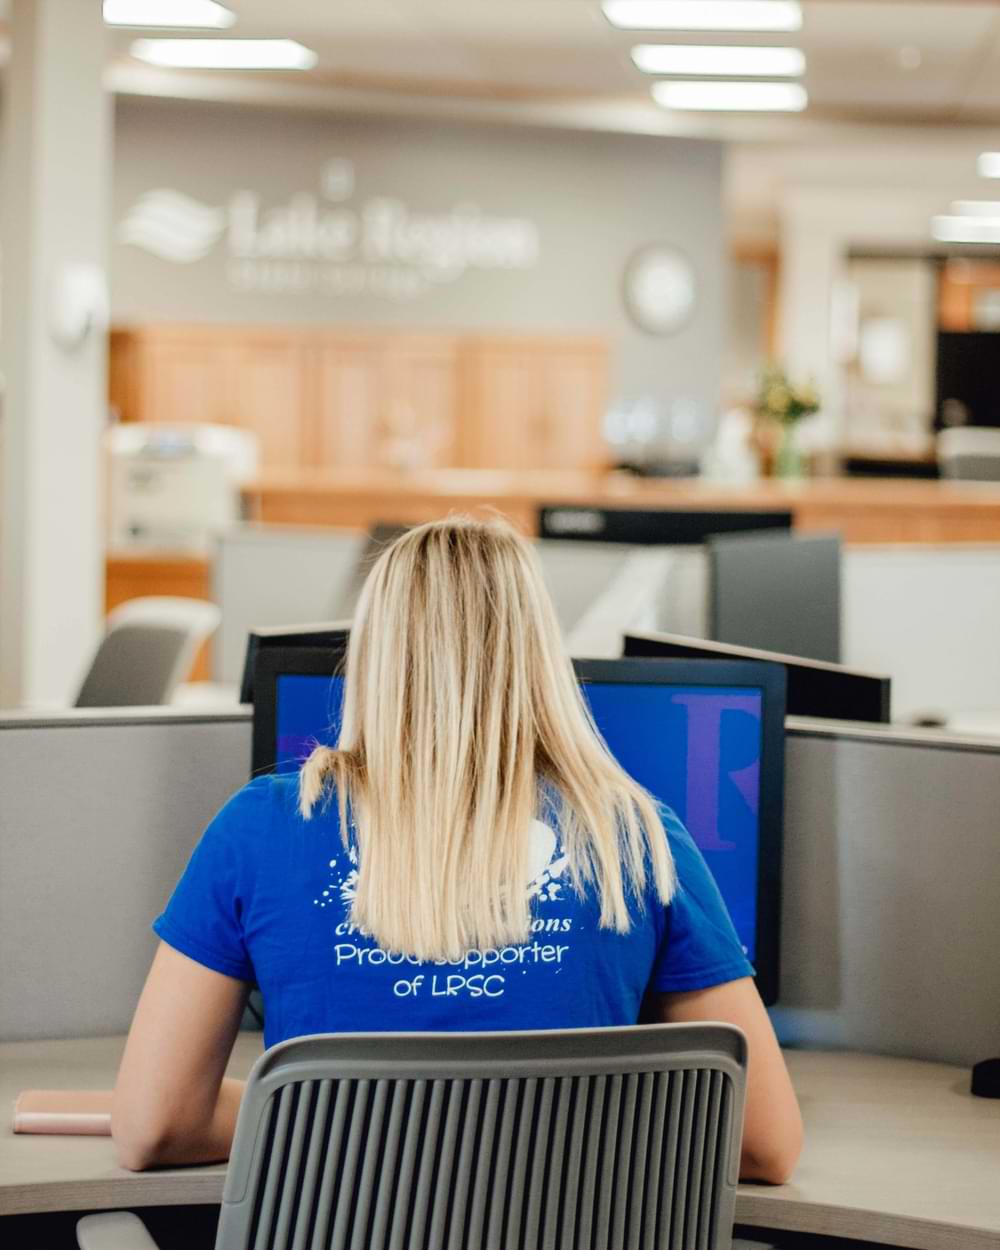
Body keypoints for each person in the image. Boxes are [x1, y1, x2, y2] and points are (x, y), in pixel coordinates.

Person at [112, 517, 802, 1180]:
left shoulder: (260, 827)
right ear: (539, 655)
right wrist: (576, 1113)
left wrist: (321, 1108)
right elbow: (765, 1143)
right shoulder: (636, 838)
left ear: (373, 653)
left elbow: (157, 1124)